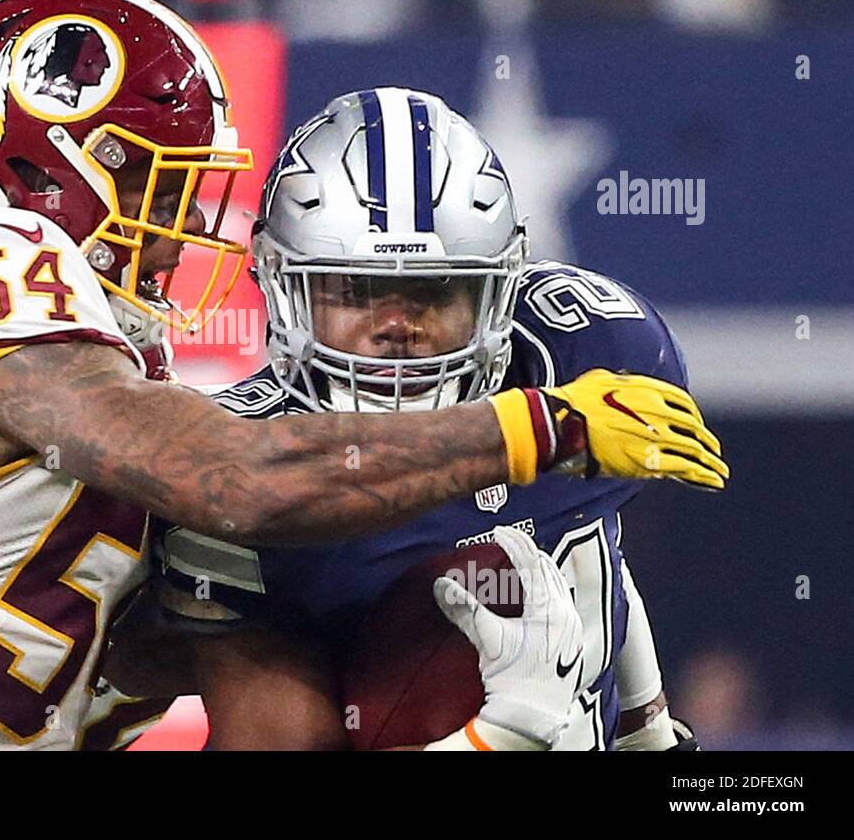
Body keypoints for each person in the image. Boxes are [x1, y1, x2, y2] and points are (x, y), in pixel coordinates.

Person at [0, 0, 724, 751]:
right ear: (49, 169)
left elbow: (149, 653)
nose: (179, 234)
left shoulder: (116, 372)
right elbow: (238, 475)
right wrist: (536, 428)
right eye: (164, 189)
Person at [156, 88, 704, 750]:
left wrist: (648, 730)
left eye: (435, 288)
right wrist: (492, 739)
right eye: (357, 289)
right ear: (279, 284)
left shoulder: (585, 355)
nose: (396, 325)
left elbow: (595, 547)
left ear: (500, 288)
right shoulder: (243, 473)